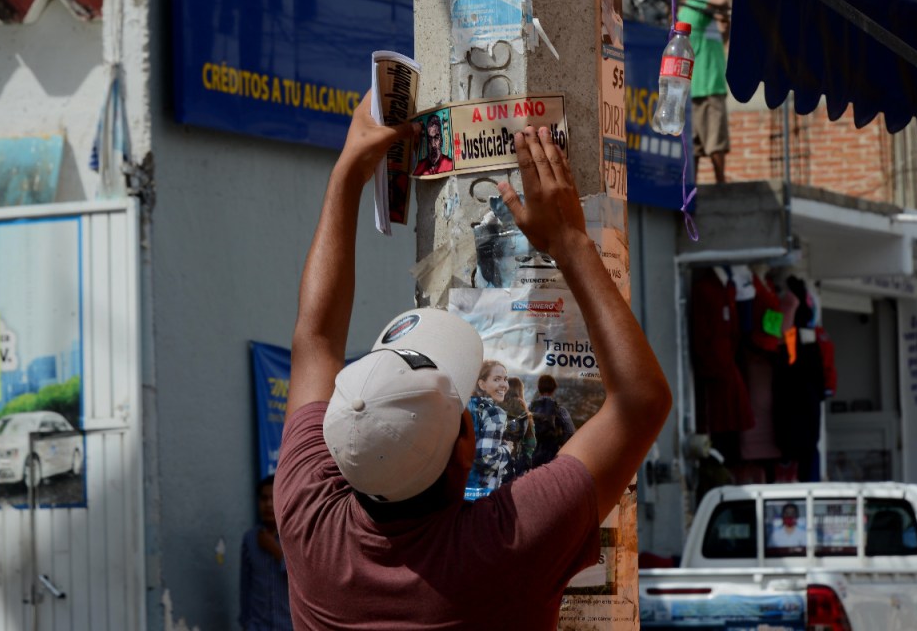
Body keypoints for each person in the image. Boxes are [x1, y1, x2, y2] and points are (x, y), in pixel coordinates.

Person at [276, 90, 672, 629]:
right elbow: (641, 401)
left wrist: (348, 173)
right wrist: (571, 242)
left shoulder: (310, 523)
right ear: (466, 444)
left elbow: (315, 339)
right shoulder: (502, 545)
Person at [677, 0, 730, 184]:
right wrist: (721, 8)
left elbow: (721, 39)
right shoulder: (694, 7)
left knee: (696, 144)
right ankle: (721, 184)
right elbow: (722, 1)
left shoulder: (698, 17)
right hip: (708, 85)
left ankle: (693, 186)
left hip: (695, 88)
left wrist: (724, 23)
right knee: (715, 141)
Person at [239, 476, 292, 631]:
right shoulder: (250, 539)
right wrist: (246, 623)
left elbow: (302, 580)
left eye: (273, 498)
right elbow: (245, 587)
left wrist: (276, 550)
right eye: (264, 498)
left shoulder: (294, 538)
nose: (268, 504)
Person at [466, 359, 512, 497]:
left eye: (505, 379)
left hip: (456, 490)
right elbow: (487, 458)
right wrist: (507, 449)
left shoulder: (463, 407)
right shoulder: (494, 413)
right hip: (480, 493)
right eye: (497, 379)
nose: (504, 384)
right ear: (482, 384)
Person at [529, 374, 577, 469]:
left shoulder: (530, 408)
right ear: (554, 389)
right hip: (552, 452)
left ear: (539, 388)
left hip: (533, 453)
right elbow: (570, 431)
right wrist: (560, 443)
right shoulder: (559, 409)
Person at [503, 376, 537, 480]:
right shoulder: (524, 412)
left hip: (496, 460)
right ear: (520, 391)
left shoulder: (496, 407)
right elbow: (531, 443)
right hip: (515, 462)